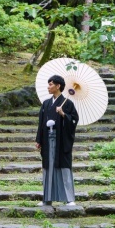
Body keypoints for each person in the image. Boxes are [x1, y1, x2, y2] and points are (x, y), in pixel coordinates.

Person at [35, 74, 79, 206]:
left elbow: (74, 120)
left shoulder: (68, 103)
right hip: (48, 140)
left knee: (63, 167)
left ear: (58, 86)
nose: (48, 87)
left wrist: (63, 114)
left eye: (51, 84)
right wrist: (39, 139)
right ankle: (47, 198)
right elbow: (41, 123)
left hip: (61, 141)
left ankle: (69, 198)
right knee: (48, 167)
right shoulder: (46, 103)